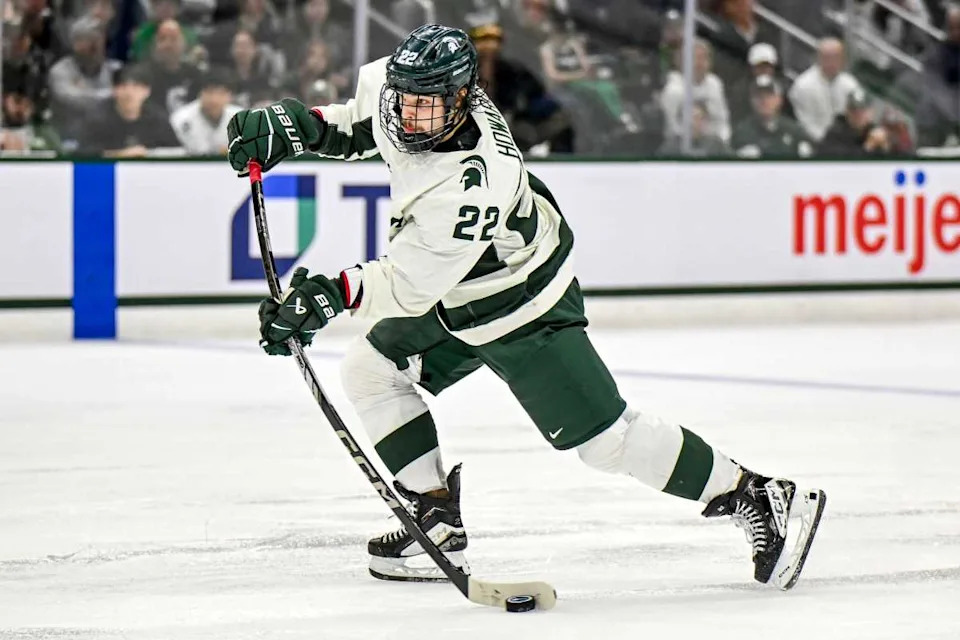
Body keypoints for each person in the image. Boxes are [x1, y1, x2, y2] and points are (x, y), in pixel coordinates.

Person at [225, 24, 826, 588]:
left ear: (462, 97)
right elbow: (362, 125)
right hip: (457, 292)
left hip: (522, 307)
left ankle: (756, 494)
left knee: (606, 442)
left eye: (424, 105)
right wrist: (298, 126)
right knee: (370, 369)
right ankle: (437, 520)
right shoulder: (411, 96)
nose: (408, 115)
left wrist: (327, 296)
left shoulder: (472, 181)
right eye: (402, 99)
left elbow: (408, 286)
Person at [732, 74, 813, 159]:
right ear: (752, 101)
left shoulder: (794, 131)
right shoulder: (742, 133)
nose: (764, 101)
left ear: (779, 100)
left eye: (769, 96)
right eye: (759, 96)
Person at [169, 67, 241, 155]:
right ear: (200, 93)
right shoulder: (181, 118)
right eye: (209, 92)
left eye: (221, 93)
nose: (214, 99)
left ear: (230, 96)